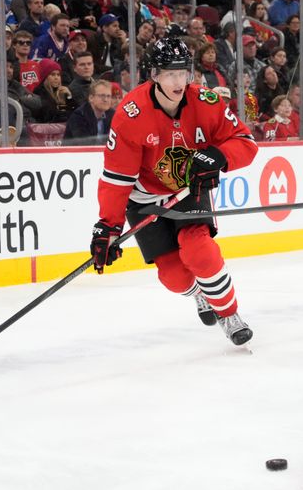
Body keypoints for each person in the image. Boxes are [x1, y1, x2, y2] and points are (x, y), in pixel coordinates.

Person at [91, 37, 258, 345]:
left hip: (187, 188)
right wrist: (108, 227)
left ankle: (229, 314)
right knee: (173, 277)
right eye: (170, 74)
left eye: (183, 73)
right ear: (154, 75)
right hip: (143, 197)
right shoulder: (131, 114)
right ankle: (201, 295)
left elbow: (245, 143)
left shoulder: (206, 102)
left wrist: (220, 156)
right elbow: (117, 178)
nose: (179, 82)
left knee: (199, 250)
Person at [63, 79, 112, 145]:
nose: (106, 99)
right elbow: (84, 144)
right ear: (91, 98)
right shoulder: (79, 116)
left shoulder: (112, 115)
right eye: (102, 96)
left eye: (108, 96)